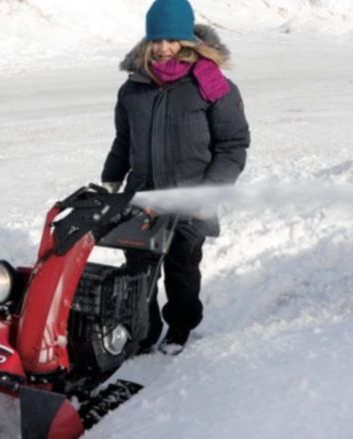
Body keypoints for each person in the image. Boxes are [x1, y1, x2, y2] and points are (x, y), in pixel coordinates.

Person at [101, 0, 250, 354]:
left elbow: (233, 144)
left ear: (187, 39)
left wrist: (208, 194)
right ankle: (144, 331)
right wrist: (111, 178)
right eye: (156, 38)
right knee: (138, 271)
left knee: (182, 270)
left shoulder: (212, 85)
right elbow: (124, 139)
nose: (164, 47)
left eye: (172, 39)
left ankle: (180, 328)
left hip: (190, 198)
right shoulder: (134, 86)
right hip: (143, 197)